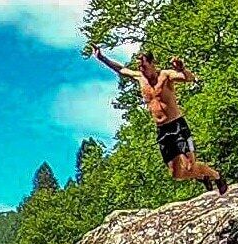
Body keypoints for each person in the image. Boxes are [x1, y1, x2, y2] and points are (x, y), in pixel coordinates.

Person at [93, 47, 227, 194]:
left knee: (189, 166)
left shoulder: (165, 75)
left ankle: (216, 175)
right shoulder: (139, 78)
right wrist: (102, 58)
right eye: (139, 66)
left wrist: (182, 69)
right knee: (176, 174)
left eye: (144, 65)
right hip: (162, 130)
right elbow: (121, 69)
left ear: (152, 63)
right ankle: (201, 176)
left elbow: (188, 77)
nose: (141, 69)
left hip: (177, 126)